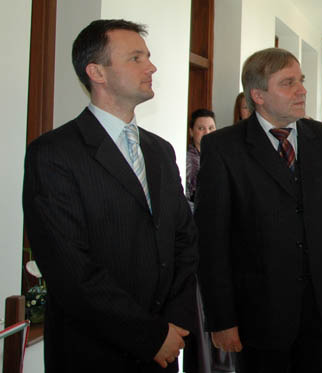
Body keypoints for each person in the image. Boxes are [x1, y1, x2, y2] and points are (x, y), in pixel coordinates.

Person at [22, 19, 198, 371]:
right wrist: (149, 335)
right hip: (92, 351)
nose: (151, 67)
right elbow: (69, 269)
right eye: (136, 58)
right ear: (97, 72)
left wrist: (173, 325)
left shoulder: (160, 150)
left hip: (165, 345)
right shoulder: (54, 153)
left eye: (148, 56)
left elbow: (183, 239)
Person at [195, 48, 322, 373]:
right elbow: (212, 241)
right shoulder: (224, 148)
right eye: (288, 83)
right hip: (257, 314)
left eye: (301, 80)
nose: (302, 90)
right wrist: (221, 318)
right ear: (258, 95)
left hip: (320, 308)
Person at [186, 108, 216, 203]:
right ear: (191, 132)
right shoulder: (187, 160)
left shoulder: (221, 156)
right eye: (201, 128)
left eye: (211, 128)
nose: (207, 133)